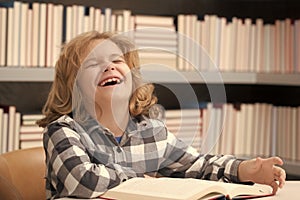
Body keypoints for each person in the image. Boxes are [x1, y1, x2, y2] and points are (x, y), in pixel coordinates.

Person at [37, 31, 286, 200]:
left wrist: (245, 170)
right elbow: (83, 181)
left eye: (117, 60)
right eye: (93, 64)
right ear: (74, 85)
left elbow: (197, 166)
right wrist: (144, 179)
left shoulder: (151, 130)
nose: (109, 66)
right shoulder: (63, 130)